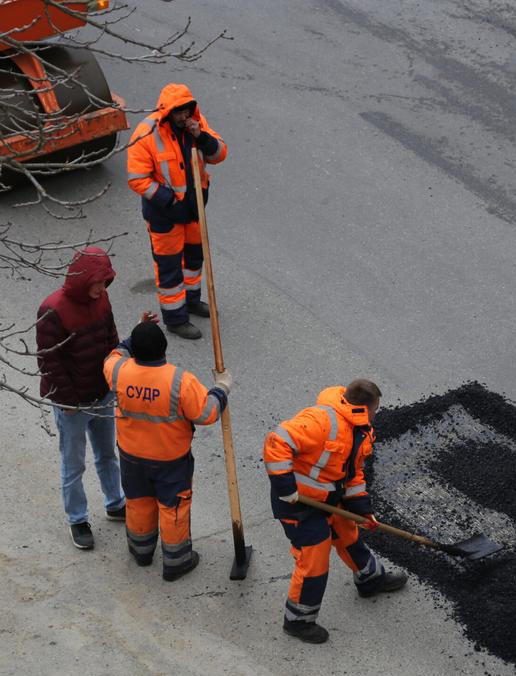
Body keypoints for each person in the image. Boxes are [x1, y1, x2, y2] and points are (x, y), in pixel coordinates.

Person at [262, 380, 408, 644]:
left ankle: (370, 580)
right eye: (376, 409)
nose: (376, 415)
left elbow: (352, 474)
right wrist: (286, 487)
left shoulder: (358, 429)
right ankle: (298, 621)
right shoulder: (321, 421)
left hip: (329, 498)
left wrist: (362, 508)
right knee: (314, 561)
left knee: (348, 534)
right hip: (298, 504)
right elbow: (277, 441)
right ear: (365, 407)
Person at [103, 320, 232, 581]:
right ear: (164, 349)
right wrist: (222, 387)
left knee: (138, 503)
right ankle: (177, 561)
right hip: (170, 461)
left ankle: (141, 551)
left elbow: (116, 352)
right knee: (174, 509)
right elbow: (207, 413)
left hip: (131, 457)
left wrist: (136, 331)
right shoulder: (179, 381)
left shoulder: (117, 371)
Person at [36, 247, 127, 550]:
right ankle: (78, 519)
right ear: (83, 279)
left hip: (101, 395)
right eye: (98, 282)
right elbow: (50, 363)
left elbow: (110, 337)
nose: (103, 289)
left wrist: (114, 377)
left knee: (107, 455)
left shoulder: (100, 299)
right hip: (72, 405)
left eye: (105, 282)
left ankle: (115, 503)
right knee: (74, 465)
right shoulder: (53, 310)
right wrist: (70, 402)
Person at [126, 83, 228, 341]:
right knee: (170, 269)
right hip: (165, 215)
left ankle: (192, 301)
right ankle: (175, 319)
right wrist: (169, 200)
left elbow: (220, 154)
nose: (184, 117)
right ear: (168, 112)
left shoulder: (196, 124)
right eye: (179, 113)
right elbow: (137, 178)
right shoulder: (146, 133)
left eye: (187, 111)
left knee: (194, 260)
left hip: (194, 211)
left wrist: (202, 136)